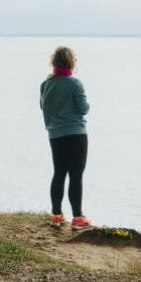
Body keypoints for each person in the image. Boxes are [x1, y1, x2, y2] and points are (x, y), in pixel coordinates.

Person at [40, 46, 90, 230]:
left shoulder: (46, 85)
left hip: (55, 135)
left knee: (59, 173)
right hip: (76, 134)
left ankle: (57, 215)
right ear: (71, 62)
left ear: (54, 62)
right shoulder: (75, 84)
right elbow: (83, 108)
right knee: (75, 175)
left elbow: (42, 106)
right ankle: (77, 217)